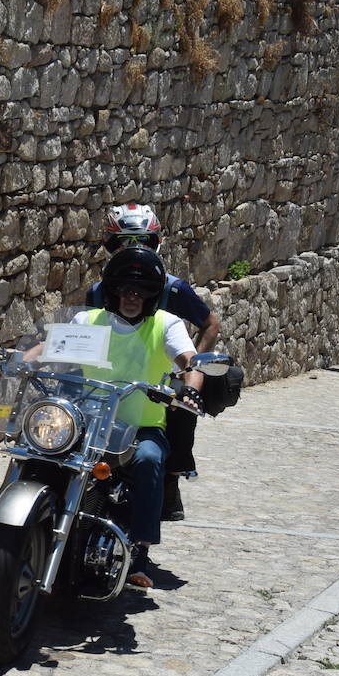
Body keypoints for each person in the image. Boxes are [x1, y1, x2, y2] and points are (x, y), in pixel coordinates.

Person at [71, 244, 204, 590]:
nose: (132, 296)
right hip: (89, 422)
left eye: (141, 290)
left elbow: (190, 361)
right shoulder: (88, 321)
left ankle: (140, 550)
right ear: (112, 290)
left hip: (142, 426)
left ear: (152, 294)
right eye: (126, 288)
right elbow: (55, 349)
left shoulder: (166, 324)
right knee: (42, 446)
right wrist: (22, 359)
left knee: (148, 459)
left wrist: (190, 388)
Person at [90, 203, 220, 521]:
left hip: (160, 377)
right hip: (114, 377)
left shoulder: (174, 288)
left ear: (156, 243)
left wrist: (188, 370)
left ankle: (171, 480)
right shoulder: (99, 291)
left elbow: (210, 324)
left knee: (181, 413)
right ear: (110, 245)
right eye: (124, 242)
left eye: (142, 241)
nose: (133, 249)